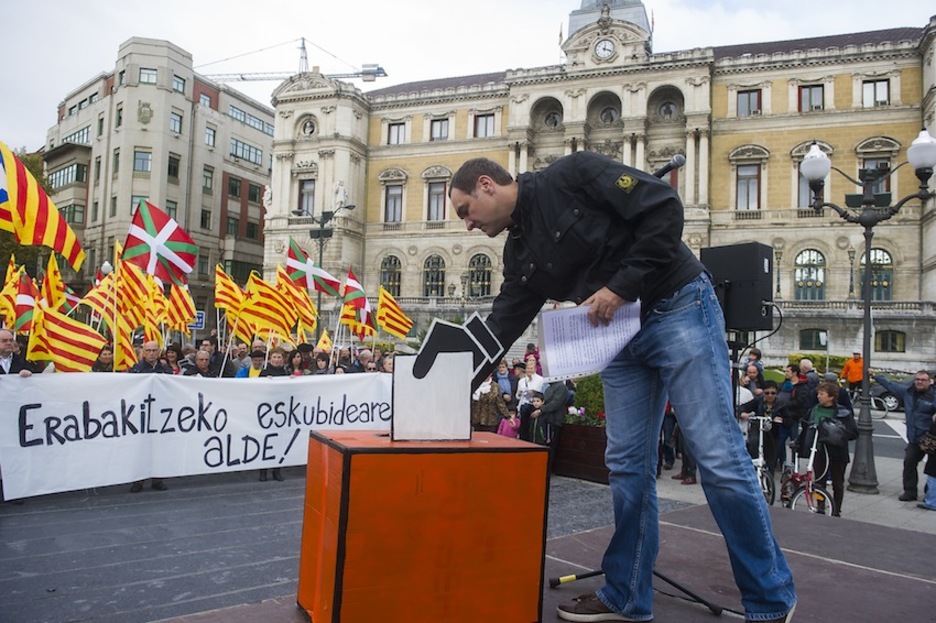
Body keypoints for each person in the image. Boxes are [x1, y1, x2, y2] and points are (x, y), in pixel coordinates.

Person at [443, 154, 795, 622]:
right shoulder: (519, 253)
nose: (467, 225)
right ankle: (627, 594)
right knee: (627, 466)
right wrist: (442, 384)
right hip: (617, 339)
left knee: (718, 458)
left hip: (678, 307)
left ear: (486, 185)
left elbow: (664, 208)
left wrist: (622, 286)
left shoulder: (573, 174)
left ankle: (771, 602)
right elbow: (503, 322)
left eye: (466, 210)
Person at [873, 370, 936, 502]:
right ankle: (910, 492)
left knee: (932, 469)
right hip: (914, 439)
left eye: (923, 380)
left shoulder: (933, 396)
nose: (919, 382)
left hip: (931, 438)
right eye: (917, 379)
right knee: (909, 463)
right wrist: (874, 375)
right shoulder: (907, 392)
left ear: (930, 382)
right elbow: (890, 384)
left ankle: (929, 494)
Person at [804, 381, 855, 517]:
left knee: (838, 483)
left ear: (831, 397)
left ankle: (836, 509)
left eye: (822, 394)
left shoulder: (843, 412)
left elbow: (853, 432)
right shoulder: (814, 409)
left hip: (837, 452)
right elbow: (807, 427)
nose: (818, 396)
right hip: (819, 450)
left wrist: (835, 432)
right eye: (818, 394)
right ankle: (820, 507)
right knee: (819, 481)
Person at [127, 341, 170, 492]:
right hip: (141, 414)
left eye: (154, 350)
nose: (151, 353)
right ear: (143, 352)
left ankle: (158, 479)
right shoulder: (136, 370)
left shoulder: (165, 369)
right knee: (140, 448)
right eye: (148, 350)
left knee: (160, 448)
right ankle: (138, 480)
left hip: (160, 413)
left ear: (159, 352)